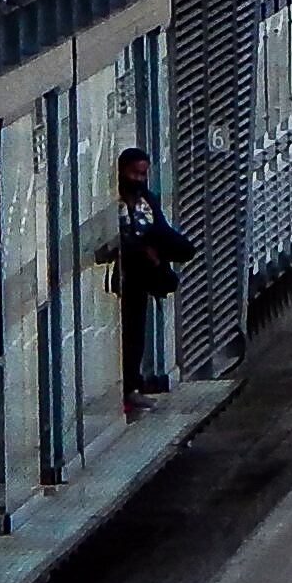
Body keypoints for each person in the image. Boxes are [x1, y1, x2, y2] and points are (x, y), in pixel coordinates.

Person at [105, 147, 199, 413]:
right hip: (122, 274)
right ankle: (125, 389)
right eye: (134, 173)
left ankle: (133, 385)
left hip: (140, 276)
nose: (139, 179)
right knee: (124, 332)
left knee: (136, 332)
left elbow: (159, 228)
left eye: (143, 173)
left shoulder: (147, 200)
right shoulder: (115, 204)